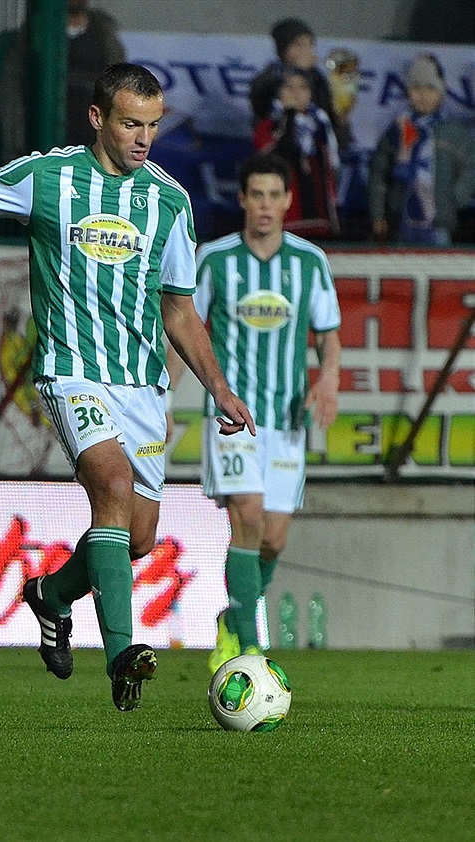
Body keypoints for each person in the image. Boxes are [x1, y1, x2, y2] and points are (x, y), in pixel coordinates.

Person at [0, 63, 255, 709]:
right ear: (97, 118)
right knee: (112, 487)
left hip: (142, 386)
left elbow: (178, 309)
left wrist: (219, 388)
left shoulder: (169, 201)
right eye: (130, 123)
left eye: (152, 126)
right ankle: (122, 652)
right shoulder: (46, 178)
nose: (143, 138)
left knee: (139, 537)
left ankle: (51, 594)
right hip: (73, 374)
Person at [166, 153, 341, 673]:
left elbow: (328, 335)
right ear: (242, 199)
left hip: (286, 421)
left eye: (274, 196)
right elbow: (184, 333)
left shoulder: (309, 262)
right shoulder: (215, 259)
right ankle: (249, 649)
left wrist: (329, 378)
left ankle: (232, 618)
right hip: (232, 418)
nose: (265, 205)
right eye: (256, 195)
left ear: (288, 201)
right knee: (247, 513)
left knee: (273, 537)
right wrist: (165, 400)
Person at [0, 0, 125, 160]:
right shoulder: (34, 36)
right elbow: (11, 89)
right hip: (43, 140)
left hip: (93, 142)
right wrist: (17, 139)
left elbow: (118, 87)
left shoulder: (104, 36)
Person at [367, 53, 475, 246]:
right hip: (400, 222)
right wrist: (378, 215)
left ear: (441, 92)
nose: (423, 95)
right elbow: (378, 174)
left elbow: (471, 168)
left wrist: (452, 199)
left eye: (430, 89)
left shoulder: (455, 133)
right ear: (408, 92)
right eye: (417, 88)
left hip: (439, 223)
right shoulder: (397, 130)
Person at [252, 65, 341, 239]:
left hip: (320, 219)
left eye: (303, 87)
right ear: (278, 92)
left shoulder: (320, 123)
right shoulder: (269, 125)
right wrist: (290, 116)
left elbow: (331, 167)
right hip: (285, 219)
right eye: (289, 87)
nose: (296, 93)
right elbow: (278, 155)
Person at [250, 17, 349, 150]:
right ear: (283, 50)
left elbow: (329, 120)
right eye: (298, 45)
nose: (306, 50)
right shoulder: (271, 76)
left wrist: (341, 118)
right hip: (279, 150)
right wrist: (297, 70)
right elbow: (261, 102)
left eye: (310, 44)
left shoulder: (318, 78)